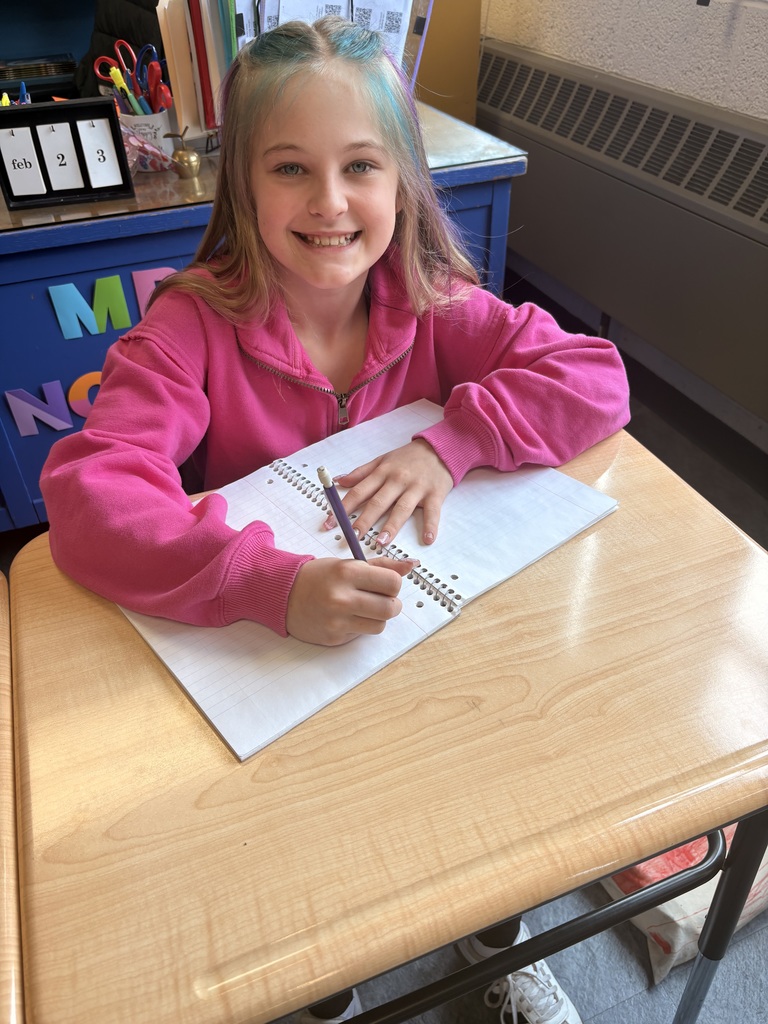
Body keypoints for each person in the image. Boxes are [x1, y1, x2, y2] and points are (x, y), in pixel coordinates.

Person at [41, 16, 630, 1024]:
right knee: (306, 855)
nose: (328, 203)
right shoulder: (192, 326)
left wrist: (454, 440)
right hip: (285, 674)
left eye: (360, 165)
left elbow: (595, 379)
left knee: (494, 773)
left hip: (435, 655)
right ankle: (327, 989)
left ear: (402, 182)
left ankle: (500, 944)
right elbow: (90, 496)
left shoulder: (432, 300)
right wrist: (264, 583)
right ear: (243, 188)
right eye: (288, 169)